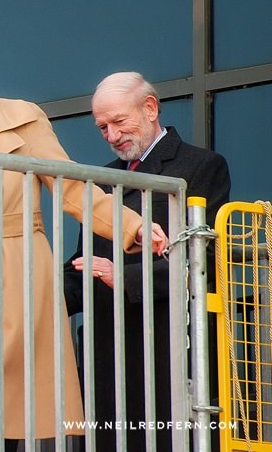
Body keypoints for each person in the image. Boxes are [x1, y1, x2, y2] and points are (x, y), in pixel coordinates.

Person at [0, 26, 168, 452]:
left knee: (1, 410)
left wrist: (131, 225)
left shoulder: (23, 118)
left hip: (18, 269)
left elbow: (72, 188)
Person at [63, 71, 231, 452]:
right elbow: (83, 264)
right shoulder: (101, 180)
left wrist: (122, 278)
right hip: (108, 352)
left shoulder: (201, 166)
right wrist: (39, 291)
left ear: (150, 108)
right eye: (102, 127)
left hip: (169, 350)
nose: (111, 135)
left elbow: (203, 256)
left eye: (119, 121)